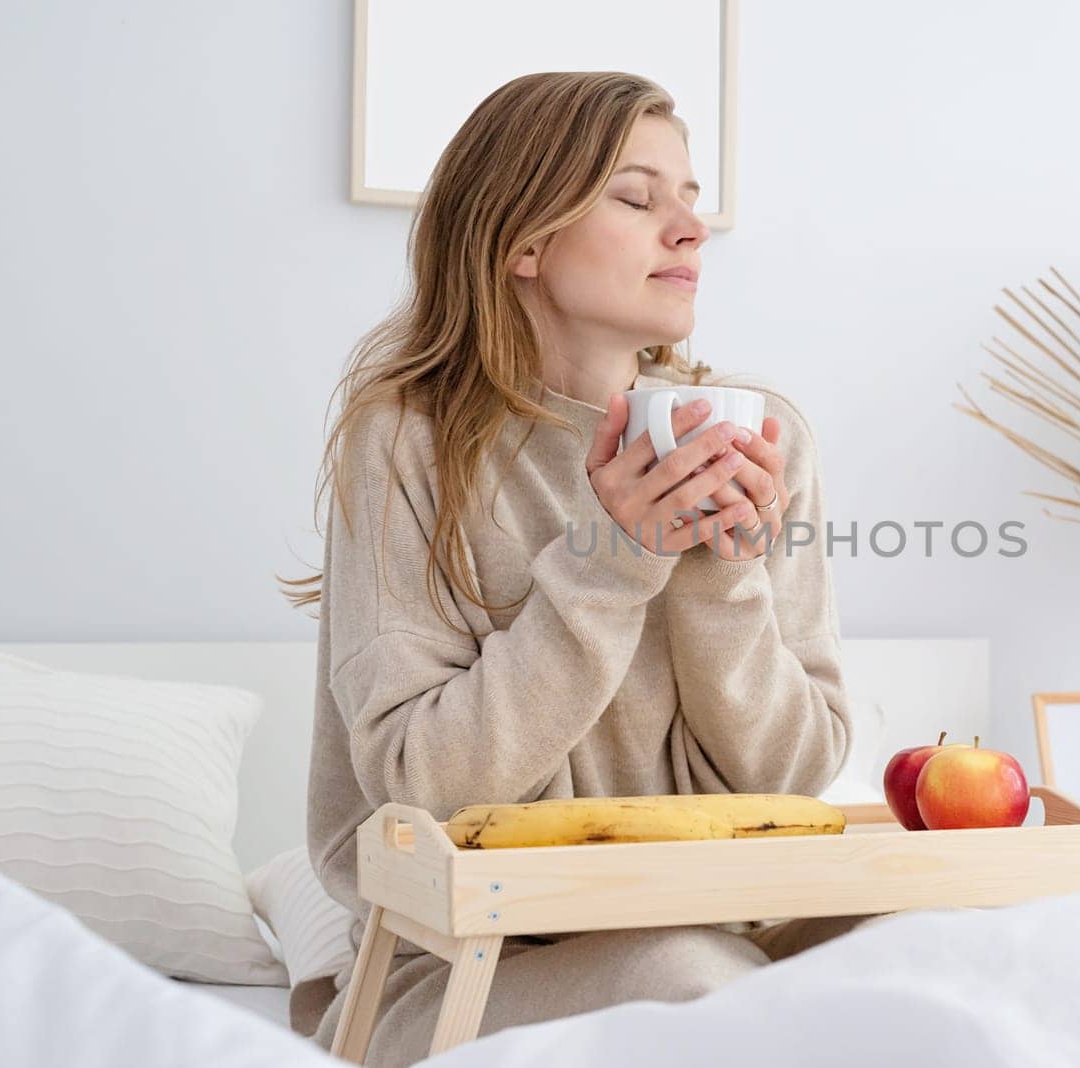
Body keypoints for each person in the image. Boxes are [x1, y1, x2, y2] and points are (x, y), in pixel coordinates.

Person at [277, 71, 885, 1066]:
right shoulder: (408, 443)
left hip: (731, 920)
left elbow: (792, 775)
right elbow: (421, 788)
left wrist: (722, 576)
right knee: (692, 988)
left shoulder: (763, 439)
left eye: (690, 202)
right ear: (522, 239)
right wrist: (613, 556)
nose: (689, 231)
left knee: (956, 953)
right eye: (638, 198)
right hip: (472, 960)